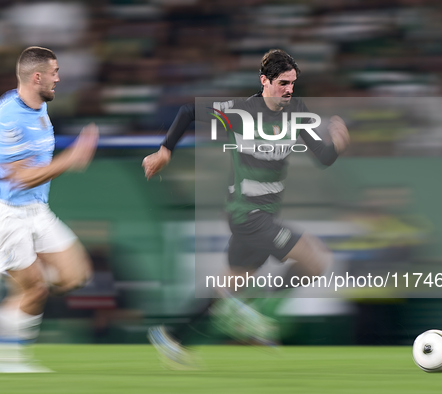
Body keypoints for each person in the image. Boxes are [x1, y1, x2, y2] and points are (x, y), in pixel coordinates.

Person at [143, 49, 350, 368]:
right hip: (246, 215)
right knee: (316, 260)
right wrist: (164, 151)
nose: (289, 89)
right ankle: (260, 315)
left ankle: (173, 335)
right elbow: (187, 111)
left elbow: (322, 157)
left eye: (293, 83)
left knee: (231, 285)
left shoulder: (296, 112)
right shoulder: (240, 111)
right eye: (283, 83)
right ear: (264, 81)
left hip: (264, 216)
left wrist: (336, 144)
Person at [0, 46, 99, 373]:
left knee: (75, 275)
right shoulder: (10, 116)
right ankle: (2, 357)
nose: (59, 78)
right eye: (55, 72)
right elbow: (20, 179)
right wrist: (70, 160)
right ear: (37, 76)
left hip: (34, 210)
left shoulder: (33, 103)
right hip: (5, 214)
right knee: (35, 290)